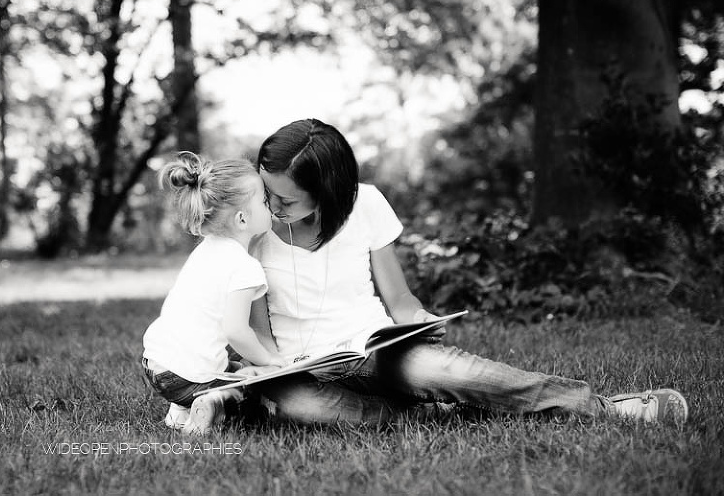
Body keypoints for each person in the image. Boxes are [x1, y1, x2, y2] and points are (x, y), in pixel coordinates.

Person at [247, 118, 689, 426]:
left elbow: (400, 300)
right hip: (296, 370)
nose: (272, 206)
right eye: (268, 192)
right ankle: (430, 411)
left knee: (455, 374)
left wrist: (416, 322)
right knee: (304, 409)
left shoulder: (365, 203)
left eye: (286, 200)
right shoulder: (251, 227)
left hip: (370, 349)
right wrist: (270, 368)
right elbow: (257, 329)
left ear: (328, 191)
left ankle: (608, 408)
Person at [142, 151, 285, 434]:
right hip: (186, 375)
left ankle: (180, 411)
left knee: (233, 365)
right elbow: (236, 331)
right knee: (253, 384)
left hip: (155, 363)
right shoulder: (245, 267)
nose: (271, 206)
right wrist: (269, 361)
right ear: (243, 219)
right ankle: (213, 403)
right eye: (265, 201)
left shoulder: (206, 249)